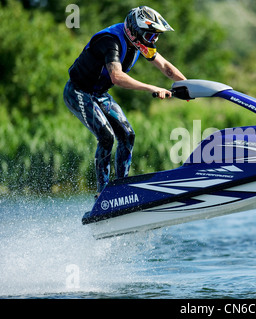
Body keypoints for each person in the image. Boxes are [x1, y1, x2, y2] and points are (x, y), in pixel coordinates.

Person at [63, 6, 187, 198]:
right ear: (135, 31)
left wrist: (188, 85)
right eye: (150, 35)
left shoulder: (140, 43)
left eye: (155, 36)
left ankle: (121, 188)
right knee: (106, 136)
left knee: (128, 135)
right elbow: (117, 77)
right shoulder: (110, 41)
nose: (153, 40)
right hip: (78, 91)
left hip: (99, 93)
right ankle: (103, 193)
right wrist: (152, 88)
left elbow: (165, 67)